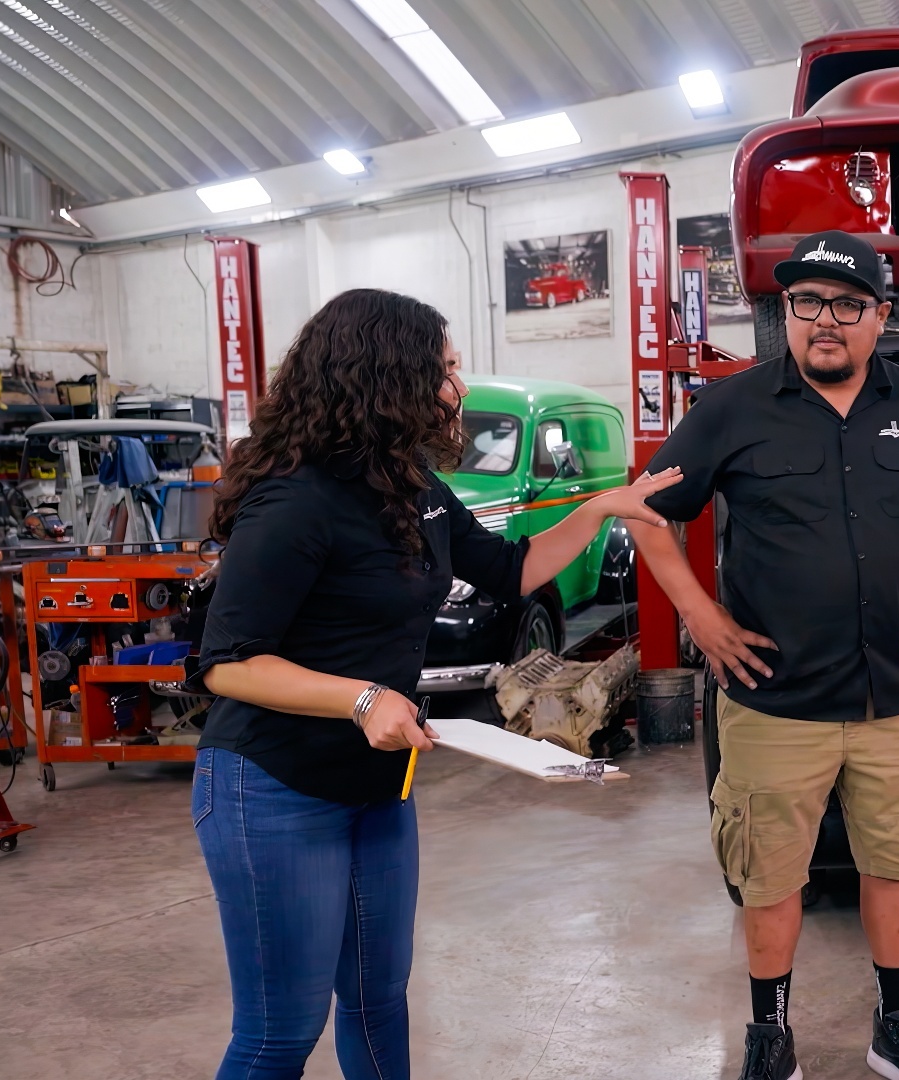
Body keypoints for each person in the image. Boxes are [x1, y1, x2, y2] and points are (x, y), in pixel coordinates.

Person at [189, 288, 680, 1080]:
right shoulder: (295, 499)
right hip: (271, 786)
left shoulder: (409, 484)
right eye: (446, 368)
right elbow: (229, 662)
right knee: (281, 1032)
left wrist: (599, 509)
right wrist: (360, 698)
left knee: (378, 1001)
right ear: (389, 376)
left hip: (378, 785)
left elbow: (512, 571)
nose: (458, 385)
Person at [627, 231, 899, 1080]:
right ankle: (771, 1034)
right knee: (769, 875)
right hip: (775, 698)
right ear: (786, 314)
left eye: (846, 305)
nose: (824, 321)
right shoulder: (733, 408)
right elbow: (646, 511)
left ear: (881, 316)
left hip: (895, 697)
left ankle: (896, 1026)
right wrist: (698, 612)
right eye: (806, 303)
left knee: (897, 862)